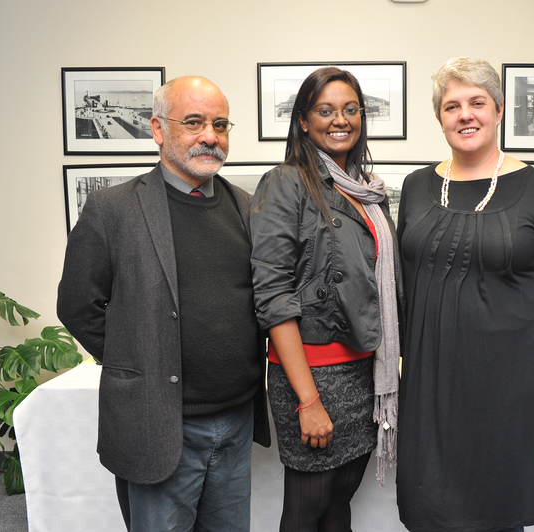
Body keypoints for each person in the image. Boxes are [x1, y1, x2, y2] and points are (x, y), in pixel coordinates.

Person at [57, 76, 270, 532]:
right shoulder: (112, 209)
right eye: (193, 122)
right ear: (157, 129)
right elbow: (78, 305)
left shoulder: (246, 208)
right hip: (158, 422)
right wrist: (136, 361)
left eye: (220, 124)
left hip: (235, 420)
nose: (210, 136)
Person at [395, 57, 534, 532]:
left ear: (499, 110)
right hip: (430, 387)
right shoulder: (417, 186)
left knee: (495, 517)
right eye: (451, 106)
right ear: (440, 118)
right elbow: (400, 287)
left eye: (477, 102)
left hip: (511, 393)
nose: (465, 115)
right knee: (427, 513)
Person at [250, 67, 401, 532]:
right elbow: (272, 295)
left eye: (351, 109)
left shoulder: (368, 192)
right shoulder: (286, 182)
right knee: (305, 509)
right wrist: (308, 400)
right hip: (311, 375)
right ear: (302, 120)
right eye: (326, 110)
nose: (341, 120)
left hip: (363, 371)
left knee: (340, 504)